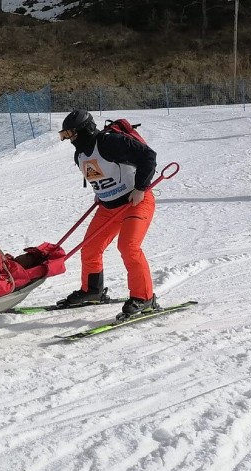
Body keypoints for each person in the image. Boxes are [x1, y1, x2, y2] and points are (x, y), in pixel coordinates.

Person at [56, 110, 159, 317]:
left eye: (70, 134)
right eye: (65, 135)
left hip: (135, 202)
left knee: (128, 246)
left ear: (83, 130)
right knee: (90, 249)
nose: (69, 139)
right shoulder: (80, 154)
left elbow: (148, 156)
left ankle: (144, 297)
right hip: (108, 207)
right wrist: (100, 193)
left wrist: (140, 187)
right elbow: (101, 174)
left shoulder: (110, 142)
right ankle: (92, 291)